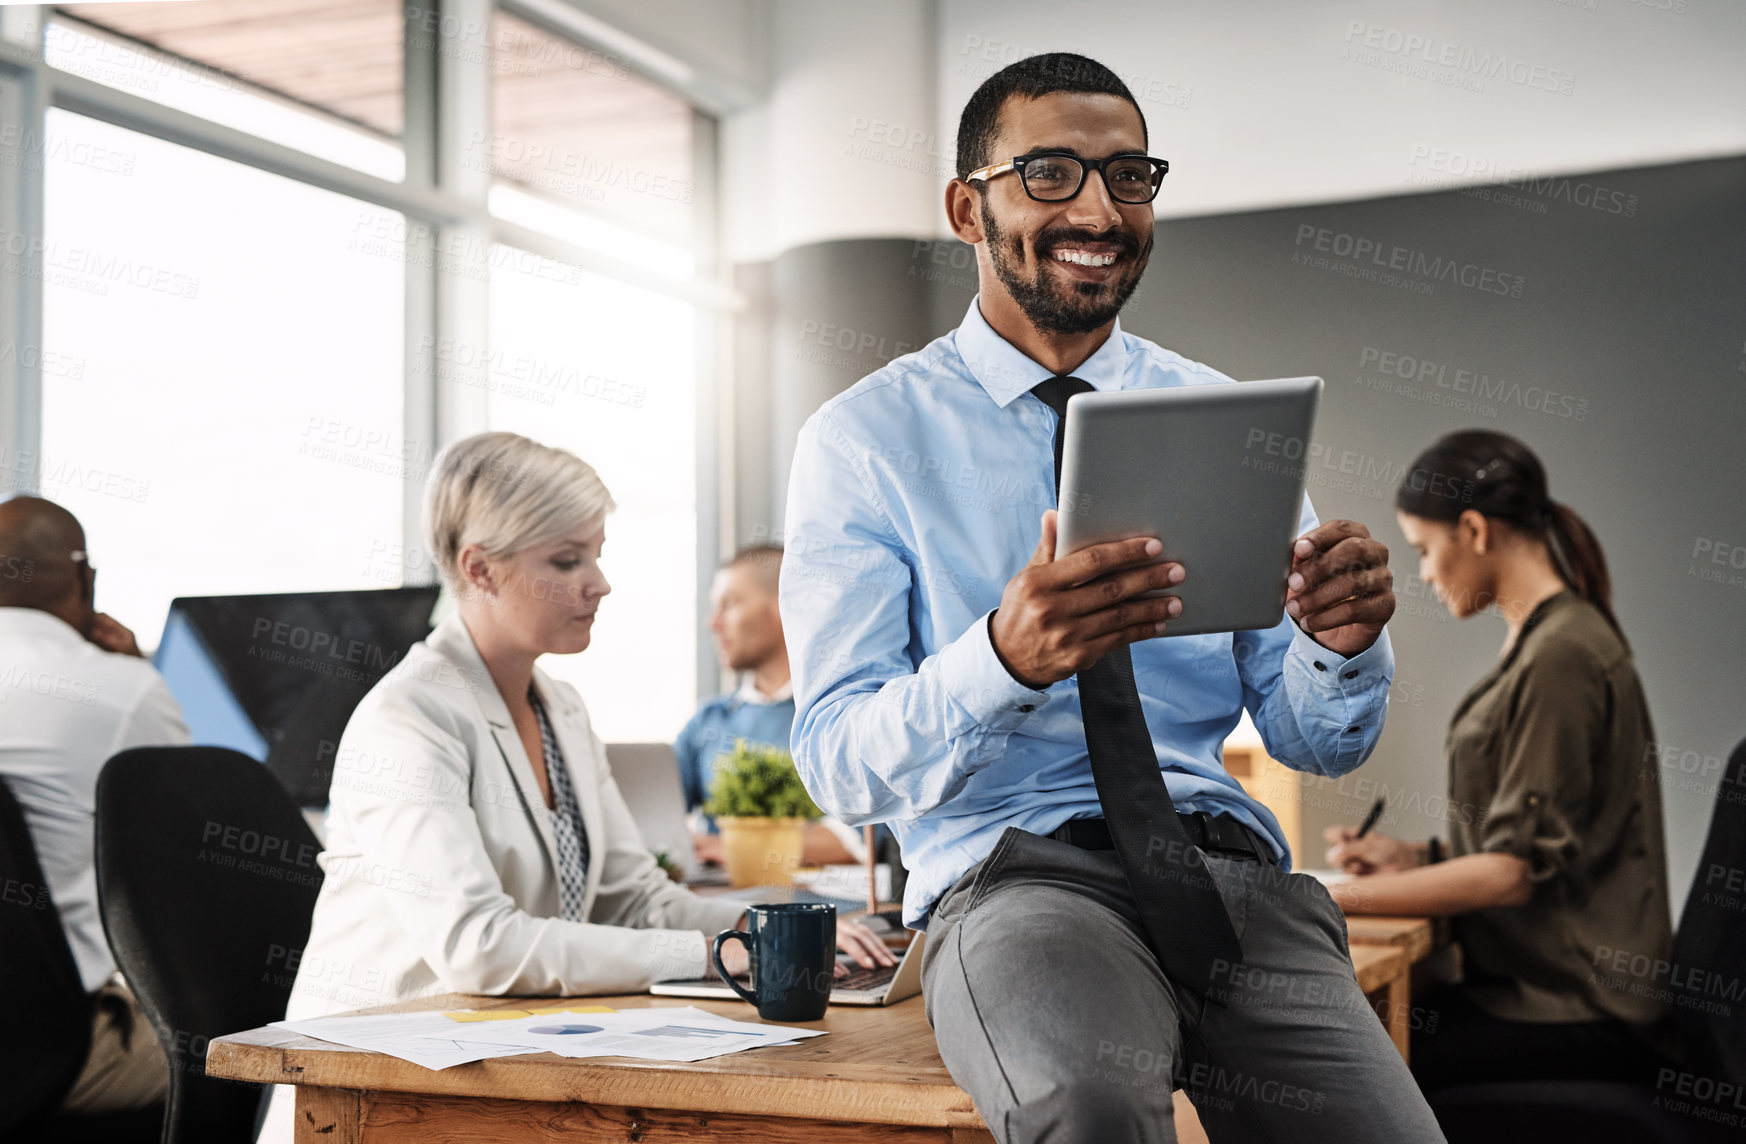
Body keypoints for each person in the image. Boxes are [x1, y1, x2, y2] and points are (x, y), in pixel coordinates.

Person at [780, 53, 1443, 1142]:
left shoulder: (1224, 413)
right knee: (1087, 1109)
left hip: (1226, 876)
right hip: (1017, 881)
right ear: (967, 206)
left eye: (1129, 176)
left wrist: (1338, 645)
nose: (1098, 207)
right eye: (1050, 173)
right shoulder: (864, 442)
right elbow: (838, 762)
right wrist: (1001, 658)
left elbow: (1314, 739)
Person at [263, 434, 892, 1141]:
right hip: (381, 1087)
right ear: (481, 569)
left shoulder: (559, 707)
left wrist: (771, 927)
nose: (599, 581)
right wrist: (720, 954)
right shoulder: (408, 719)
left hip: (504, 1061)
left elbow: (634, 897)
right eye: (567, 560)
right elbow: (482, 947)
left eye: (596, 553)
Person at [1324, 430, 1676, 1095]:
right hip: (1557, 993)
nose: (1424, 573)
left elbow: (1513, 874)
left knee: (1352, 1073)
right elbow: (1545, 842)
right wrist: (1415, 859)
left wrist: (1331, 901)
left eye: (1426, 550)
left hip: (1580, 1009)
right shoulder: (1549, 639)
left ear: (1475, 530)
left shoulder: (1562, 655)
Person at [0, 495, 186, 1116]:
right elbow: (195, 864)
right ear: (85, 578)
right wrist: (138, 675)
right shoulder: (122, 690)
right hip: (48, 1051)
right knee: (239, 1044)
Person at [675, 544, 855, 867]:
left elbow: (855, 839)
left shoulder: (838, 714)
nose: (712, 623)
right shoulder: (708, 721)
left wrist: (743, 851)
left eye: (728, 604)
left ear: (784, 607)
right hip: (721, 907)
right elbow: (661, 820)